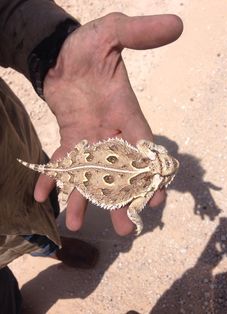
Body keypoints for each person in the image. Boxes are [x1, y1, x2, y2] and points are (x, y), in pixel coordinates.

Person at [0, 0, 183, 313]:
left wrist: (50, 46)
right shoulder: (142, 179)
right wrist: (137, 221)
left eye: (163, 165)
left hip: (9, 156)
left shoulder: (143, 162)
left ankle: (49, 243)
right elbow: (136, 210)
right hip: (86, 165)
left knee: (38, 203)